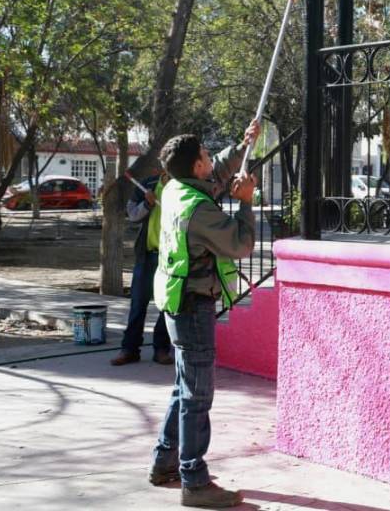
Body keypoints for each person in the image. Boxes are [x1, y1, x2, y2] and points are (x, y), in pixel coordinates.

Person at [149, 121, 261, 509]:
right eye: (206, 157)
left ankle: (165, 461)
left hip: (175, 300)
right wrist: (246, 201)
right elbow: (240, 243)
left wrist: (243, 144)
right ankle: (193, 481)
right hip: (193, 306)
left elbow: (215, 178)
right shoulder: (199, 210)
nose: (211, 162)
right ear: (196, 165)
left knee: (184, 388)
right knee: (198, 395)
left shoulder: (176, 189)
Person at [112, 170, 174, 367]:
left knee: (167, 306)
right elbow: (132, 214)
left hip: (172, 257)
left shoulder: (184, 187)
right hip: (147, 254)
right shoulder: (148, 182)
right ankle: (129, 349)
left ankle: (161, 348)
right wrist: (147, 203)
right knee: (138, 304)